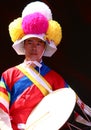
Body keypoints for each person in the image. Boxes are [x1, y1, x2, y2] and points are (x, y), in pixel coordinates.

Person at [0, 1, 91, 130]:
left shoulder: (54, 78)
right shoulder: (9, 75)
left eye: (39, 43)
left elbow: (73, 104)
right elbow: (1, 111)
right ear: (24, 45)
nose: (34, 48)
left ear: (45, 47)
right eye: (29, 42)